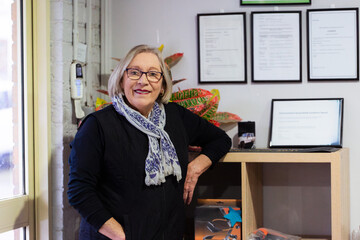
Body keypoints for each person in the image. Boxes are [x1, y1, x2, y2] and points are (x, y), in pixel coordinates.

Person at [67, 44, 231, 240]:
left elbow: (220, 139)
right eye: (135, 73)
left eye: (153, 74)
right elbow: (79, 192)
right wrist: (122, 236)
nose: (143, 81)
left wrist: (196, 167)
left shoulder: (175, 116)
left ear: (162, 85)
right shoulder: (97, 125)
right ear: (121, 80)